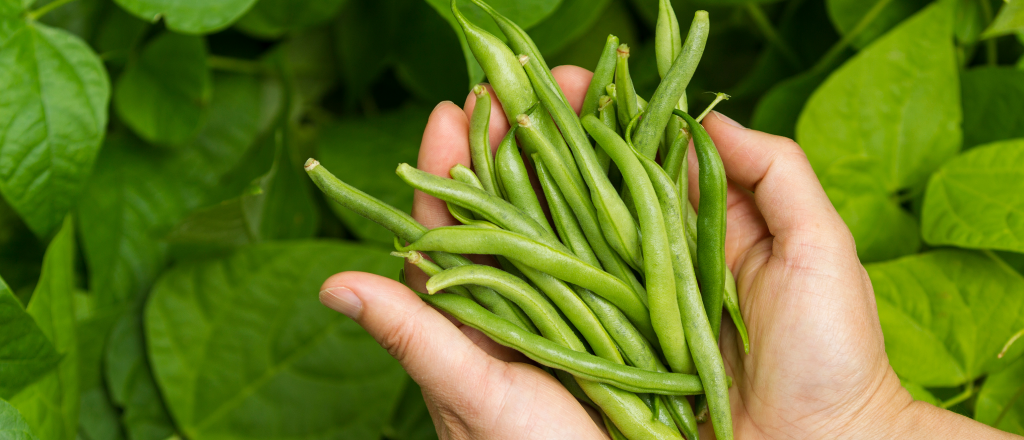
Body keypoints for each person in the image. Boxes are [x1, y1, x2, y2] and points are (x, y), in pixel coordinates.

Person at [317, 66, 1016, 439]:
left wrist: (856, 422)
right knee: (555, 259)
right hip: (691, 393)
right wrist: (859, 424)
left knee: (586, 243)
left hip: (694, 395)